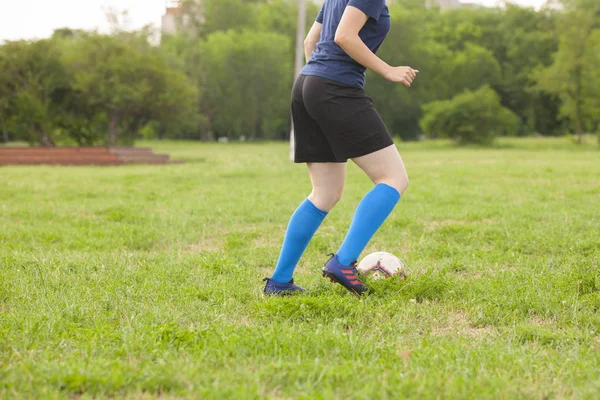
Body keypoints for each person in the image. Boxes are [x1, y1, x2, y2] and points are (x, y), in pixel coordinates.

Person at [263, 0, 417, 297]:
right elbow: (344, 36)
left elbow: (312, 41)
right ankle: (343, 262)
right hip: (336, 88)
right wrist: (388, 71)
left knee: (325, 193)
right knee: (393, 178)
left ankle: (279, 282)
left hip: (308, 84)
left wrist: (319, 82)